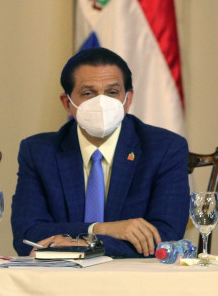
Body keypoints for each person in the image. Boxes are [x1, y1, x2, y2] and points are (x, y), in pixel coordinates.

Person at [11, 47, 189, 257]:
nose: (102, 103)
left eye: (112, 93)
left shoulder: (165, 148)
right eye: (88, 93)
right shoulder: (38, 152)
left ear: (128, 99)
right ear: (67, 103)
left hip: (135, 276)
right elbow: (27, 235)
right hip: (61, 275)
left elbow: (165, 237)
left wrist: (79, 244)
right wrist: (99, 229)